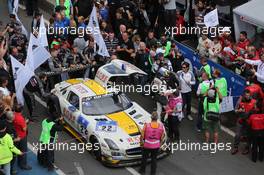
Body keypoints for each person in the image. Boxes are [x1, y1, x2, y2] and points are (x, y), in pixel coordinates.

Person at [231, 89, 257, 155]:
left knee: (248, 136)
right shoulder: (240, 101)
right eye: (246, 95)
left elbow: (256, 111)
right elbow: (235, 110)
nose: (247, 96)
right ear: (244, 95)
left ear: (250, 95)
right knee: (237, 135)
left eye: (248, 95)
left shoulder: (254, 102)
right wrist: (238, 111)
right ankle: (235, 147)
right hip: (241, 120)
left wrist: (253, 112)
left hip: (249, 122)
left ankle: (247, 148)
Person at [13, 104, 32, 170]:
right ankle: (23, 164)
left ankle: (13, 164)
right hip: (22, 136)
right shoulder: (21, 119)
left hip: (15, 135)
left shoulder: (12, 115)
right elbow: (24, 129)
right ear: (21, 111)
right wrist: (26, 122)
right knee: (23, 150)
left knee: (15, 150)